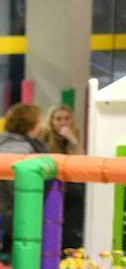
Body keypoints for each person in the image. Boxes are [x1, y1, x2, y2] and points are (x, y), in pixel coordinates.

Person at [0, 103, 50, 253]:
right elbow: (17, 185)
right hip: (10, 213)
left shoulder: (10, 142)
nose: (42, 125)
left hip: (6, 210)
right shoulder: (15, 147)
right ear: (31, 124)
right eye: (39, 121)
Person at [35, 103, 85, 247]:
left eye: (67, 118)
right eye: (58, 119)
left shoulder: (73, 134)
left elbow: (81, 161)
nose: (63, 122)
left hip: (70, 183)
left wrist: (73, 141)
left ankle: (72, 241)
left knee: (78, 191)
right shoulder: (43, 135)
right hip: (50, 182)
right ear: (51, 121)